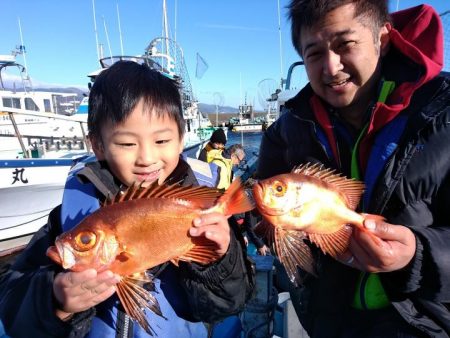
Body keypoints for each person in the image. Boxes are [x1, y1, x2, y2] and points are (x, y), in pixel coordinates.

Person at [0, 61, 255, 337]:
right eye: (126, 143)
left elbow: (233, 302)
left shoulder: (204, 213)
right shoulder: (68, 221)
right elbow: (11, 303)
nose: (146, 158)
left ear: (181, 140)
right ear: (98, 145)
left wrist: (219, 260)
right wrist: (55, 300)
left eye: (161, 141)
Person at [257, 1, 450, 337]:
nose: (331, 68)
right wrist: (272, 229)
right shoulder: (286, 131)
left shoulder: (442, 114)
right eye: (314, 53)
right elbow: (261, 218)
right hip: (329, 320)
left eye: (345, 44)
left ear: (383, 37)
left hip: (426, 323)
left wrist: (417, 255)